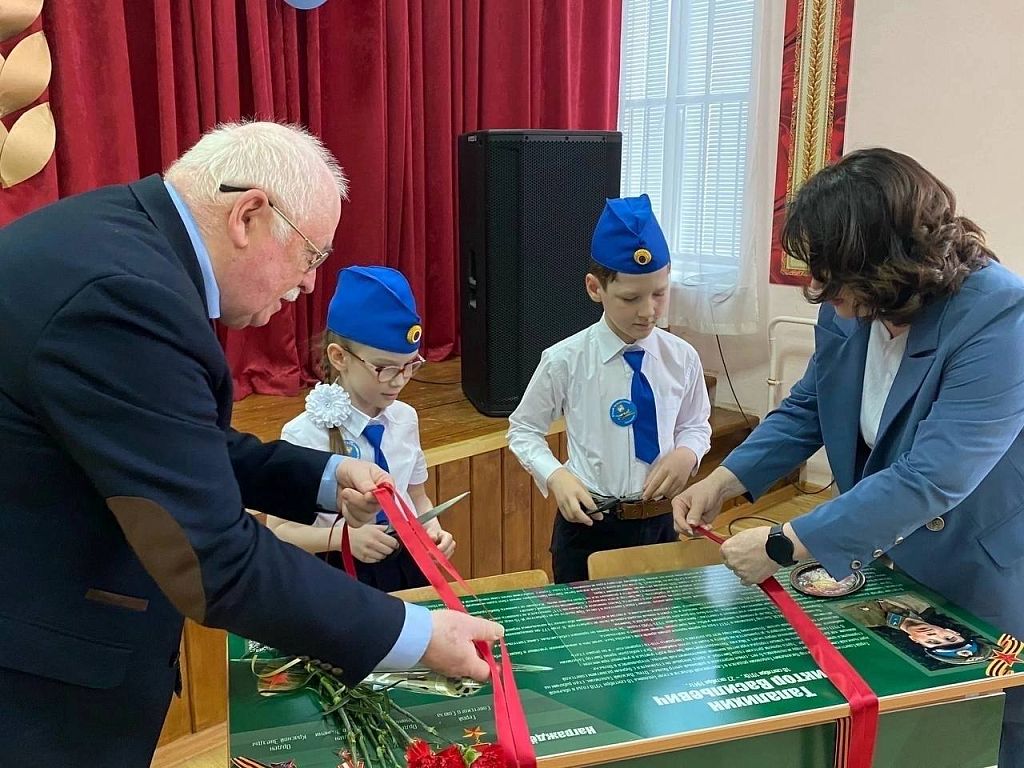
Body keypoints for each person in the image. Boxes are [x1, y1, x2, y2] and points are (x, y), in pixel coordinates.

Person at [0, 122, 501, 767]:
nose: (308, 285)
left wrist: (324, 476)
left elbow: (184, 445)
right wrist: (413, 635)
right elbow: (212, 558)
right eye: (311, 256)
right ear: (249, 216)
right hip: (36, 678)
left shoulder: (119, 242)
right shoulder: (128, 297)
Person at [672, 148, 1024, 766]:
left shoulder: (999, 316)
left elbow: (932, 477)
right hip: (890, 559)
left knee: (984, 734)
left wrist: (785, 543)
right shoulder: (853, 310)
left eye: (831, 276)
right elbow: (811, 405)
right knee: (904, 734)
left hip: (980, 568)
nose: (819, 292)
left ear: (887, 264)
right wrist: (725, 478)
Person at [508, 194, 712, 583]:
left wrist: (688, 452)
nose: (648, 311)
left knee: (658, 617)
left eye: (659, 293)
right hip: (590, 526)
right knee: (587, 621)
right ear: (594, 288)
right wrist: (555, 475)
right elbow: (523, 429)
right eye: (630, 298)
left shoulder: (682, 358)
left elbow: (695, 423)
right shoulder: (566, 360)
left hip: (659, 523)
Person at [267, 265, 455, 590]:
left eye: (410, 366)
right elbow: (279, 530)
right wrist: (343, 538)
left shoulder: (405, 418)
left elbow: (418, 498)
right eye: (384, 368)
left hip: (405, 562)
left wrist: (433, 531)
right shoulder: (303, 434)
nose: (399, 381)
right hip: (338, 572)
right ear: (339, 357)